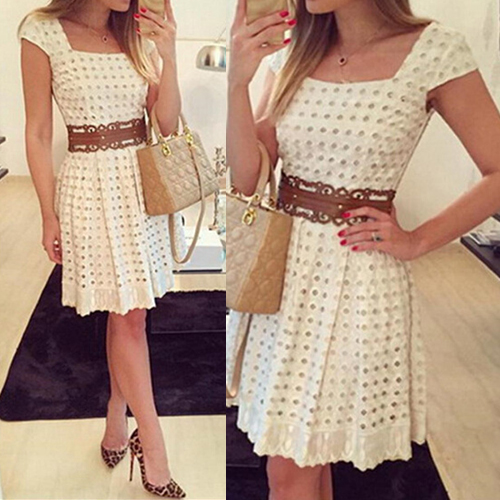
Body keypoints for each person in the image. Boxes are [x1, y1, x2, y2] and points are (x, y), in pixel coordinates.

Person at [226, 0, 500, 499]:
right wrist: (236, 85)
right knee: (300, 452)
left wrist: (418, 239)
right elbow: (248, 178)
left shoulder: (434, 50)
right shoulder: (292, 52)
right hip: (282, 279)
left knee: (290, 469)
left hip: (358, 283)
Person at [18, 0, 186, 497]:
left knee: (130, 313)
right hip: (90, 188)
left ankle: (118, 414)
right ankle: (152, 445)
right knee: (126, 314)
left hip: (141, 185)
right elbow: (38, 131)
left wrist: (169, 55)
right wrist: (47, 212)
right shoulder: (42, 31)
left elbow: (167, 125)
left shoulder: (135, 32)